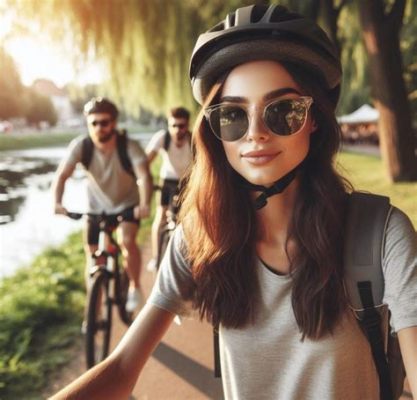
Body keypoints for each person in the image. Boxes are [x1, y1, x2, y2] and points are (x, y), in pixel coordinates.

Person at [51, 5, 417, 400]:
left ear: (314, 119)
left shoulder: (379, 235)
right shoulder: (200, 238)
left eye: (282, 111)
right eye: (232, 116)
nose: (255, 134)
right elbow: (123, 369)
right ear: (213, 131)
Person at [52, 97, 153, 315]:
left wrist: (144, 204)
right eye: (94, 123)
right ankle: (93, 310)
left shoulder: (129, 146)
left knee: (127, 241)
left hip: (127, 204)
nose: (99, 127)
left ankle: (135, 286)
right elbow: (62, 176)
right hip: (96, 207)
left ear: (114, 123)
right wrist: (57, 203)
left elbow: (144, 177)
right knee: (93, 255)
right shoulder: (82, 146)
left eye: (104, 122)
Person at [145, 106, 192, 271]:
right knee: (161, 216)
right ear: (168, 125)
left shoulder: (194, 139)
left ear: (188, 125)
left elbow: (204, 164)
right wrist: (145, 180)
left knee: (189, 219)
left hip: (188, 181)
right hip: (167, 181)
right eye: (174, 126)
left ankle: (190, 257)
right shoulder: (162, 138)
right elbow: (145, 162)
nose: (177, 130)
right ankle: (157, 257)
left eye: (182, 126)